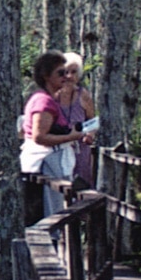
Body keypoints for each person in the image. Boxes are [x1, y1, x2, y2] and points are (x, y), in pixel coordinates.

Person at [17, 50, 96, 220]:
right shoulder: (43, 102)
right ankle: (51, 240)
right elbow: (39, 137)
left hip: (52, 161)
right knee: (50, 210)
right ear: (46, 76)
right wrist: (71, 137)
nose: (66, 77)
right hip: (46, 162)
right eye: (61, 73)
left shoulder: (47, 99)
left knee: (55, 206)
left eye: (68, 72)